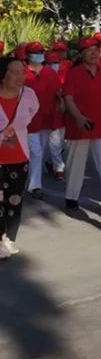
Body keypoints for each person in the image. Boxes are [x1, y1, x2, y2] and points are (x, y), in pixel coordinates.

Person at [61, 35, 101, 212]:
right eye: (89, 51)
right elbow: (68, 98)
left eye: (96, 50)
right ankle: (71, 198)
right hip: (80, 125)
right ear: (81, 54)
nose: (93, 54)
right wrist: (79, 118)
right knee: (75, 163)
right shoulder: (73, 73)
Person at [0, 56, 40, 259]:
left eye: (22, 72)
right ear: (3, 75)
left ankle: (9, 237)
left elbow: (33, 111)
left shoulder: (29, 95)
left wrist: (15, 127)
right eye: (14, 72)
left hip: (18, 157)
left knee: (14, 201)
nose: (20, 76)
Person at [24, 42, 61, 199]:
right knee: (36, 152)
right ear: (28, 55)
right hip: (28, 120)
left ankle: (32, 181)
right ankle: (35, 186)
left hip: (46, 118)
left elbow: (58, 91)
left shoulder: (49, 73)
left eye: (41, 52)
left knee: (39, 151)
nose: (39, 54)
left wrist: (62, 102)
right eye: (36, 52)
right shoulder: (22, 72)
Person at [44, 49, 67, 180]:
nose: (55, 64)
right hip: (49, 114)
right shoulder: (42, 75)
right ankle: (59, 168)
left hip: (63, 113)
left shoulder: (64, 73)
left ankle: (50, 161)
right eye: (52, 62)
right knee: (54, 142)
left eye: (57, 62)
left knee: (62, 143)